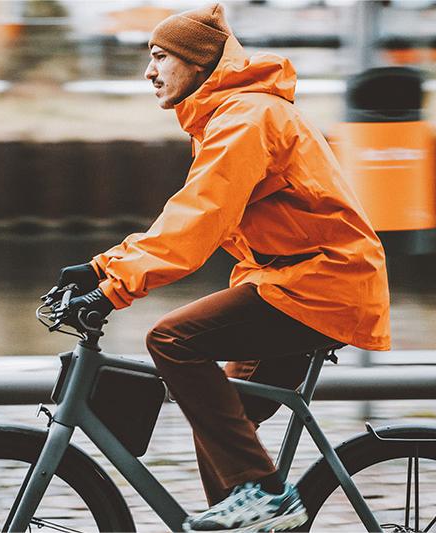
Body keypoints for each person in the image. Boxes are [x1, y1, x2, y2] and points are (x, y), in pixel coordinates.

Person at [54, 3, 390, 531]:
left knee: (171, 340)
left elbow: (198, 221)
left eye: (161, 56)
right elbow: (190, 216)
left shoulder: (246, 118)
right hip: (295, 281)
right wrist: (101, 269)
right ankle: (252, 510)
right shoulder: (230, 117)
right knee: (220, 420)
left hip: (320, 284)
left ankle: (265, 497)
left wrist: (114, 285)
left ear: (196, 62)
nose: (149, 71)